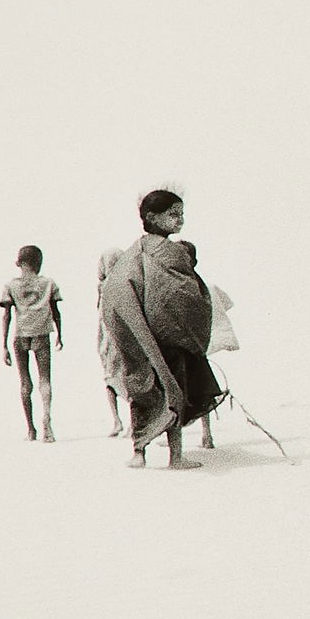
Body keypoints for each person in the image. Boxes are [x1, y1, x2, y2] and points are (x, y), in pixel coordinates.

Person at [100, 190, 225, 470]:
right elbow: (182, 294)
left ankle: (139, 453)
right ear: (152, 217)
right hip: (168, 336)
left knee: (142, 389)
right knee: (173, 389)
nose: (180, 220)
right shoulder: (169, 251)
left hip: (140, 337)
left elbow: (116, 292)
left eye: (181, 214)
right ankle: (176, 456)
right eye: (173, 214)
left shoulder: (134, 251)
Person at [177, 240, 236, 449]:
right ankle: (207, 434)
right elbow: (226, 304)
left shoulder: (179, 285)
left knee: (180, 390)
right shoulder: (206, 285)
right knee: (203, 390)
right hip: (198, 347)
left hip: (185, 346)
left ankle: (179, 436)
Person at [0, 245, 62, 443]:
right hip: (42, 334)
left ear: (19, 262)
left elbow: (6, 316)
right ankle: (47, 420)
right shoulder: (48, 283)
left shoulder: (11, 285)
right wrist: (60, 334)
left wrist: (4, 345)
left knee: (25, 383)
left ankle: (31, 429)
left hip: (21, 335)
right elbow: (56, 312)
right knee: (45, 379)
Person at [96, 248, 130, 437]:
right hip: (118, 336)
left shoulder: (103, 286)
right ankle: (126, 421)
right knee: (124, 378)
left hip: (108, 337)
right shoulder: (125, 282)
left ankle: (117, 420)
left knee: (110, 378)